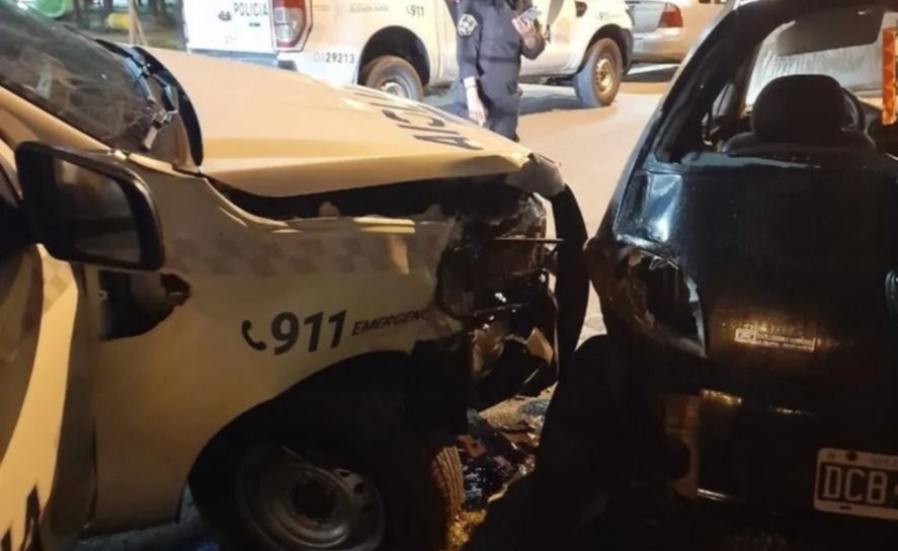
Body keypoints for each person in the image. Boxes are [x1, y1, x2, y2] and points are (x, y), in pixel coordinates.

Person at [449, 0, 546, 142]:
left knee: (505, 153)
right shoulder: (474, 3)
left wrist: (529, 37)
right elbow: (465, 50)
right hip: (477, 102)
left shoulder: (524, 5)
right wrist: (472, 96)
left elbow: (534, 51)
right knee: (476, 152)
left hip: (507, 102)